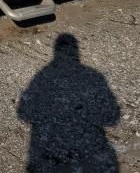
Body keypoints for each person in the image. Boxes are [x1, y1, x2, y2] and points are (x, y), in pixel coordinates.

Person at [17, 34, 120, 172]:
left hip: (50, 156)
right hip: (88, 157)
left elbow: (24, 112)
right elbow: (111, 117)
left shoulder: (43, 76)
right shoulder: (93, 76)